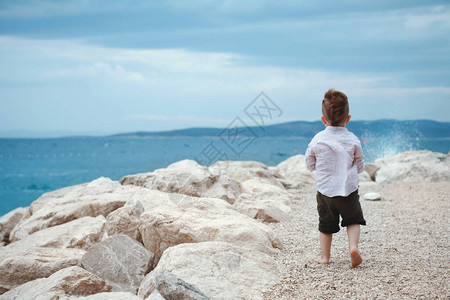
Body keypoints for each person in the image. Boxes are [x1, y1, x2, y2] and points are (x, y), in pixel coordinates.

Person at [305, 88, 366, 268]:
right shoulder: (353, 139)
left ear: (323, 120)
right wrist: (357, 171)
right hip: (348, 189)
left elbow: (309, 162)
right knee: (353, 220)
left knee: (325, 226)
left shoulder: (317, 139)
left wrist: (316, 167)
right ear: (347, 118)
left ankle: (325, 257)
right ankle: (353, 248)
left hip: (325, 191)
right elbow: (360, 162)